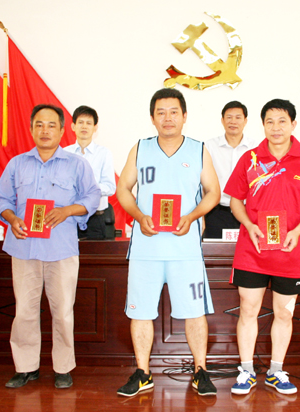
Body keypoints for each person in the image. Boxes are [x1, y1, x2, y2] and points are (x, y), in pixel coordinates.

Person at [115, 88, 220, 397]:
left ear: (184, 116)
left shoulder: (198, 150)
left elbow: (214, 192)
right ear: (152, 118)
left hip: (185, 250)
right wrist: (138, 215)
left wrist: (192, 216)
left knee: (194, 311)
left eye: (174, 111)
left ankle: (200, 371)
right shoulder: (140, 148)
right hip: (146, 249)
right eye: (161, 112)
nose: (167, 118)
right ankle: (143, 373)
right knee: (140, 311)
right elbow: (123, 189)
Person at [224, 99, 300, 395]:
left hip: (291, 251)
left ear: (293, 124)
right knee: (248, 309)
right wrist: (249, 224)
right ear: (263, 125)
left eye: (282, 121)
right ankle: (246, 371)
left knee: (284, 313)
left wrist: (298, 230)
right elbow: (235, 201)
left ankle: (276, 370)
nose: (276, 127)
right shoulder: (250, 159)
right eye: (269, 121)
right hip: (253, 250)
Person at [0, 104, 101, 389]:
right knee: (24, 311)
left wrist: (67, 211)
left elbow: (92, 197)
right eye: (39, 125)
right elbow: (1, 200)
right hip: (24, 247)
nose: (45, 130)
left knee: (63, 311)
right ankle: (25, 367)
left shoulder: (77, 164)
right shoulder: (17, 164)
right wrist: (12, 218)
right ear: (31, 129)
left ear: (62, 130)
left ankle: (63, 368)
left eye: (51, 125)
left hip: (61, 249)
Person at [203, 101, 255, 239]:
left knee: (246, 251)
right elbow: (201, 181)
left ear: (245, 121)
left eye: (238, 117)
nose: (233, 121)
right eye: (229, 117)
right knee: (215, 251)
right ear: (222, 120)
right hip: (216, 213)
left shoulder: (255, 148)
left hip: (247, 214)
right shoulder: (209, 146)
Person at [64, 105, 117, 239]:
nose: (84, 126)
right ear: (73, 126)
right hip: (69, 217)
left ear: (95, 128)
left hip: (96, 218)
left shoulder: (104, 153)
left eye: (88, 123)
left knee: (94, 253)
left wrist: (87, 187)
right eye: (80, 122)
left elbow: (110, 187)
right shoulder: (64, 153)